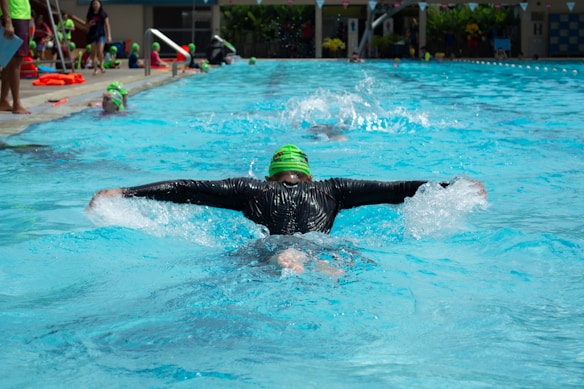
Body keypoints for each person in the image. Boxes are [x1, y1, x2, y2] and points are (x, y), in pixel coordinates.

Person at [87, 145, 486, 271]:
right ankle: (323, 268)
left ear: (272, 175)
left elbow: (186, 188)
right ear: (307, 177)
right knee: (330, 266)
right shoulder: (334, 189)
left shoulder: (249, 189)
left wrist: (123, 191)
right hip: (325, 248)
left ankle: (288, 260)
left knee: (281, 256)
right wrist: (456, 186)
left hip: (269, 249)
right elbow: (398, 189)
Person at [0, 0, 32, 114]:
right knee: (16, 61)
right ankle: (17, 103)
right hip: (15, 17)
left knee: (8, 61)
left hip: (19, 16)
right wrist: (8, 20)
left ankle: (3, 100)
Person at [86, 0, 111, 75]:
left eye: (97, 3)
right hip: (93, 34)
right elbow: (86, 24)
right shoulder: (90, 14)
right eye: (94, 4)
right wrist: (89, 23)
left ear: (100, 4)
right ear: (92, 5)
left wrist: (109, 35)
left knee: (100, 51)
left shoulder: (103, 14)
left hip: (101, 34)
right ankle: (95, 69)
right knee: (93, 53)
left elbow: (107, 25)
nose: (95, 5)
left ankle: (101, 66)